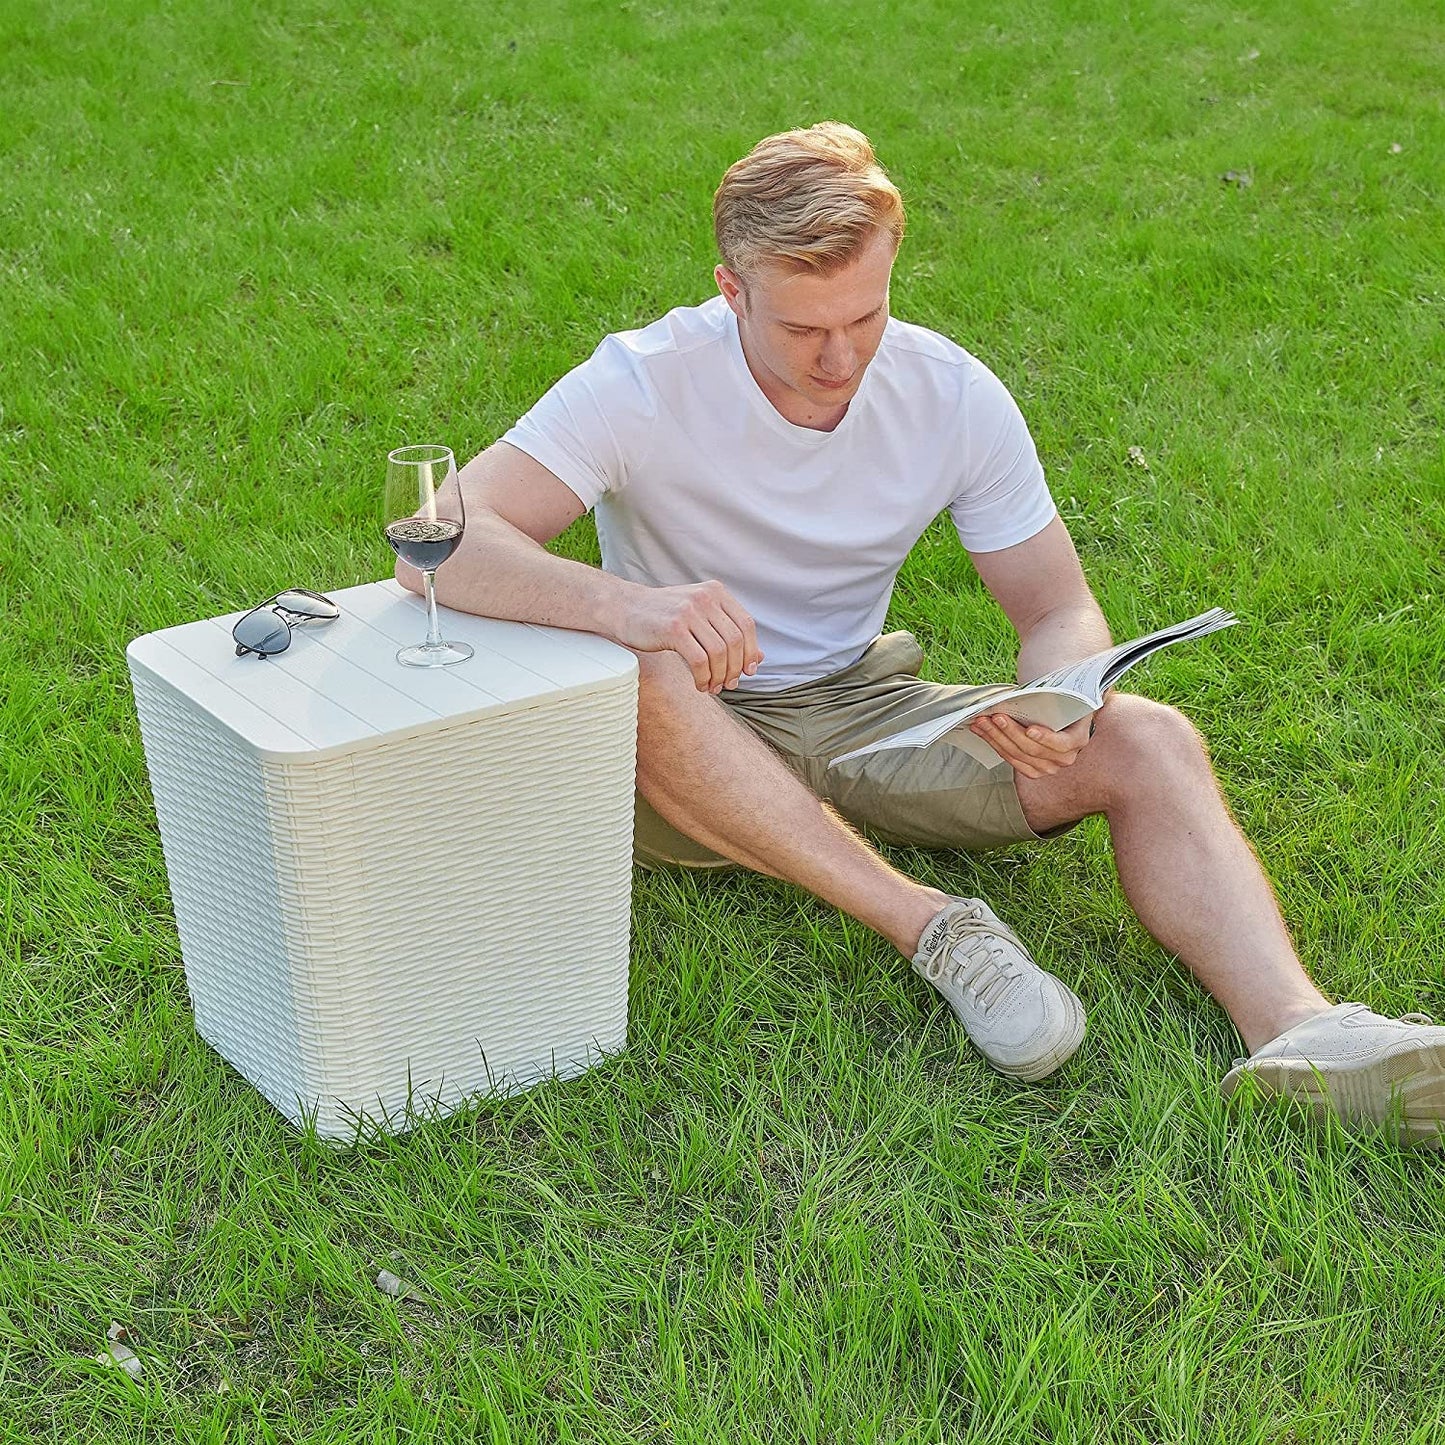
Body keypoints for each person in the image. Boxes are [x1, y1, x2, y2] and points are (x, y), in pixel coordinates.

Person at [404, 121, 1445, 1145]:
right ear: (731, 289)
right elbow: (433, 539)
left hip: (860, 710)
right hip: (684, 719)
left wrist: (1061, 695)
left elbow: (1052, 605)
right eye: (803, 328)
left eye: (864, 315)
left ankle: (1299, 1033)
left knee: (1150, 736)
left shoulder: (948, 393)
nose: (839, 355)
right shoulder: (641, 382)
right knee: (635, 668)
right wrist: (630, 605)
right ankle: (935, 928)